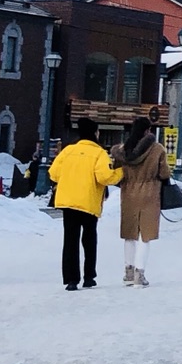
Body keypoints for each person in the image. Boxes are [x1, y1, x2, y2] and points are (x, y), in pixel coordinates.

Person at [49, 118, 121, 291]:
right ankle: (89, 276)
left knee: (70, 240)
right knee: (89, 239)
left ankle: (71, 280)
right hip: (88, 202)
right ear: (95, 133)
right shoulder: (99, 154)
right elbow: (104, 177)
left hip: (68, 201)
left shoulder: (68, 151)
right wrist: (120, 172)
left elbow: (53, 173)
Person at [111, 116, 166, 287]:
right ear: (148, 131)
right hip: (149, 194)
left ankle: (128, 272)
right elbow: (164, 173)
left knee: (129, 234)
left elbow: (116, 173)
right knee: (145, 235)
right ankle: (139, 275)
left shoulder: (122, 150)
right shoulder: (157, 149)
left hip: (128, 194)